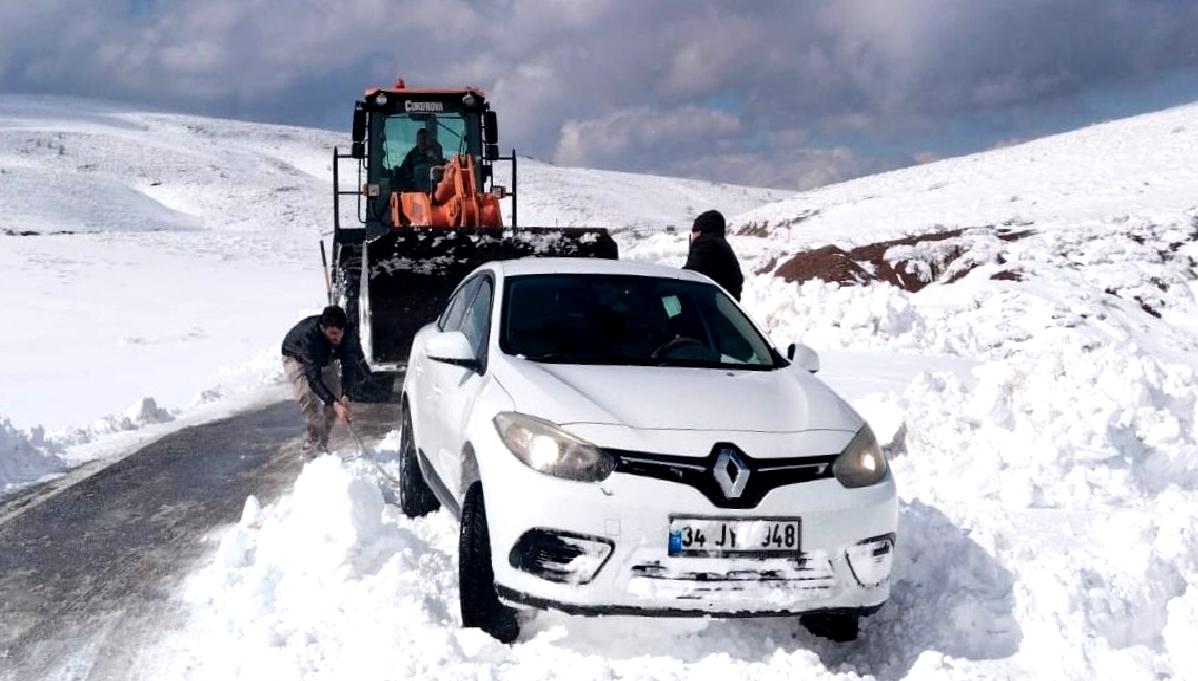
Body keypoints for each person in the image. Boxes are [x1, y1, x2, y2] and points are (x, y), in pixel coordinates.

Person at [281, 306, 364, 454]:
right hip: (297, 357)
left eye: (340, 333)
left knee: (336, 397)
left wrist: (345, 396)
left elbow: (349, 365)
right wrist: (333, 402)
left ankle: (320, 442)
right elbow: (314, 379)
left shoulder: (349, 333)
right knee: (308, 398)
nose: (337, 337)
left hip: (325, 356)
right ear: (322, 328)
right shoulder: (310, 336)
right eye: (332, 333)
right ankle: (312, 446)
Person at [683, 209, 743, 300]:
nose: (693, 236)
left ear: (699, 231)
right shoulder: (720, 244)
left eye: (694, 232)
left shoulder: (706, 244)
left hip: (714, 305)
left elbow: (691, 274)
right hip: (725, 306)